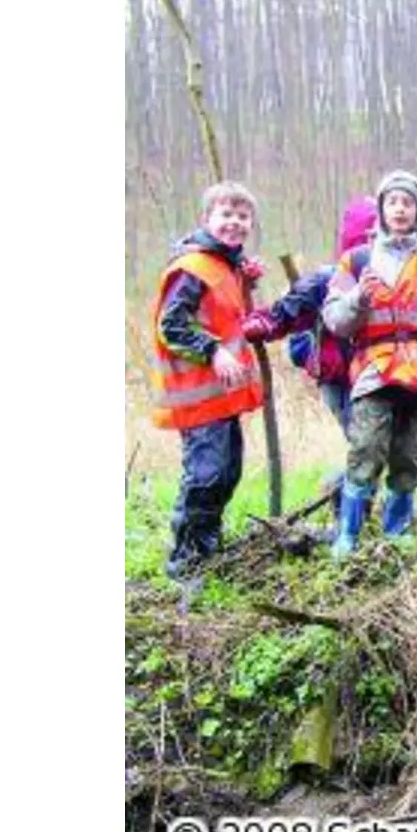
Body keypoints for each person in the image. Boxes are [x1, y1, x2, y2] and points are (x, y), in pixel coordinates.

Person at [321, 170, 417, 558]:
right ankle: (347, 537)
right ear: (382, 209)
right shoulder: (356, 260)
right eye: (393, 202)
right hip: (375, 369)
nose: (400, 210)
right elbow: (335, 320)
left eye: (408, 203)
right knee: (366, 447)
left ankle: (397, 534)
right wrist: (358, 299)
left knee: (409, 453)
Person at [150, 180, 268, 579]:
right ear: (207, 219)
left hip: (222, 398)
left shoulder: (225, 266)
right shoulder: (193, 268)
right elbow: (172, 325)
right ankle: (185, 563)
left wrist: (245, 282)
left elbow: (225, 315)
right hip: (197, 398)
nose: (234, 223)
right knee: (206, 475)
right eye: (226, 215)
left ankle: (207, 546)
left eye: (242, 216)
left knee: (228, 472)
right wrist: (214, 351)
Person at [240, 197, 378, 524]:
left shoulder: (395, 276)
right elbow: (289, 308)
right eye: (368, 236)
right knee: (367, 447)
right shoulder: (328, 279)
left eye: (379, 235)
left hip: (379, 376)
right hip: (341, 379)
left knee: (380, 447)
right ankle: (351, 518)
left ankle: (344, 494)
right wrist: (266, 324)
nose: (374, 244)